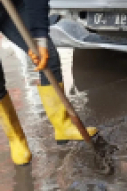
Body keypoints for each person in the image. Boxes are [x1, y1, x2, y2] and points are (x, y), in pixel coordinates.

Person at [0, 0, 98, 166]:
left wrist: (39, 35)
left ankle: (63, 126)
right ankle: (16, 138)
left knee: (47, 55)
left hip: (12, 5)